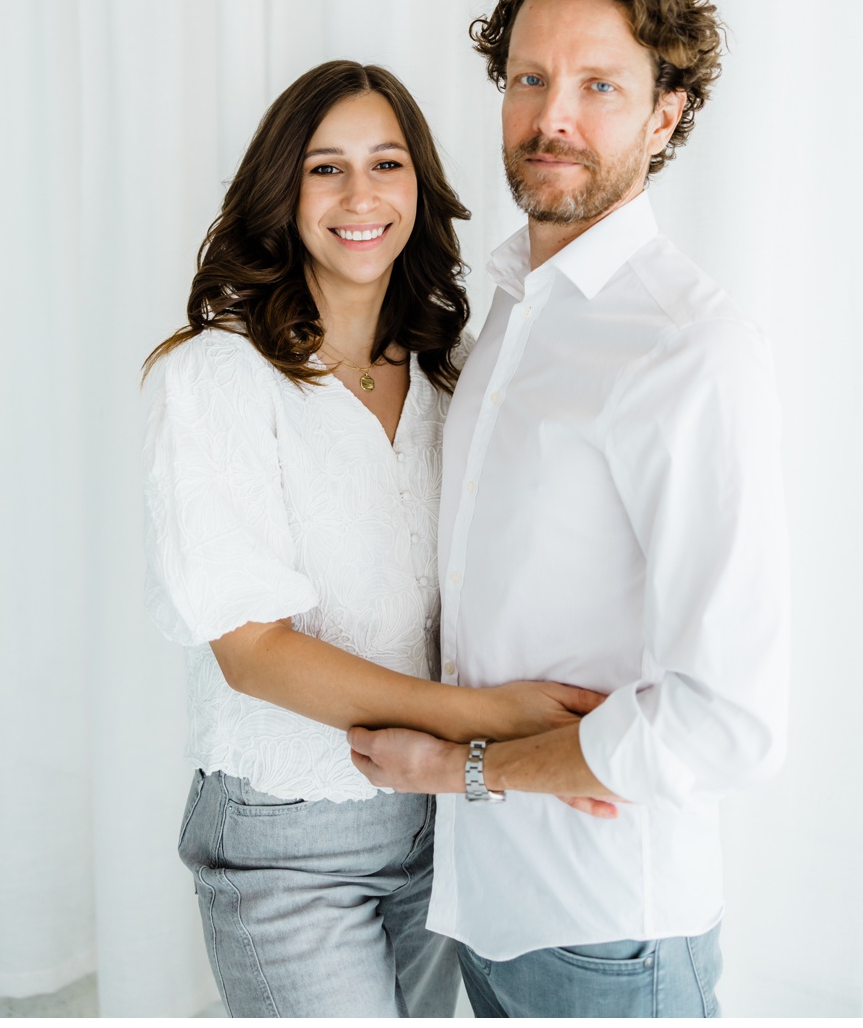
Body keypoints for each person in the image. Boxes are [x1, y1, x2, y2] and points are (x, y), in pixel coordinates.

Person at [347, 0, 791, 1017]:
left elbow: (729, 718)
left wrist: (461, 766)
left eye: (600, 85)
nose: (554, 115)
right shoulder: (503, 305)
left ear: (665, 115)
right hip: (483, 902)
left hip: (608, 931)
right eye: (531, 78)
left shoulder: (689, 347)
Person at [143, 60, 607, 1018]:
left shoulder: (453, 371)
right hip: (287, 833)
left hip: (442, 816)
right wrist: (486, 715)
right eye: (326, 168)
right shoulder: (219, 377)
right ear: (284, 190)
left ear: (419, 187)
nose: (361, 195)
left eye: (387, 163)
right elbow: (253, 650)